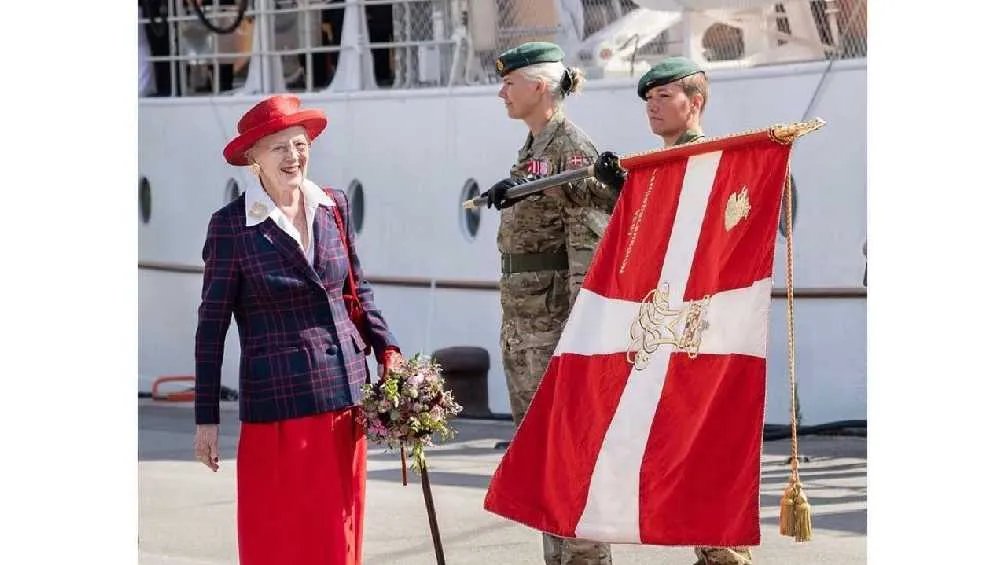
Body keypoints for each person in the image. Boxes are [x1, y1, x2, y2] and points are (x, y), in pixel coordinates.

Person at [193, 94, 403, 565]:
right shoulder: (230, 227)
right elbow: (211, 327)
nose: (293, 156)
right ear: (253, 160)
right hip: (281, 412)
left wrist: (388, 349)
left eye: (300, 143)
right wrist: (206, 417)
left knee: (339, 534)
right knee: (283, 537)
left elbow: (356, 292)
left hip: (345, 399)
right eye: (278, 148)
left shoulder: (334, 206)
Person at [592, 57, 753, 565]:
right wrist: (622, 190)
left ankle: (722, 551)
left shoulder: (717, 161)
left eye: (664, 96)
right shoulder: (653, 173)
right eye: (647, 98)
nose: (652, 106)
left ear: (696, 102)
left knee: (705, 441)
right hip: (659, 329)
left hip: (703, 327)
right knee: (669, 442)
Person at [480, 41, 621, 565]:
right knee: (540, 452)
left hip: (555, 325)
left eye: (509, 83)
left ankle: (584, 558)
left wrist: (580, 330)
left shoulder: (571, 149)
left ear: (538, 87)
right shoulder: (535, 147)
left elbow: (586, 237)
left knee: (566, 449)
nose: (502, 92)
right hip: (525, 323)